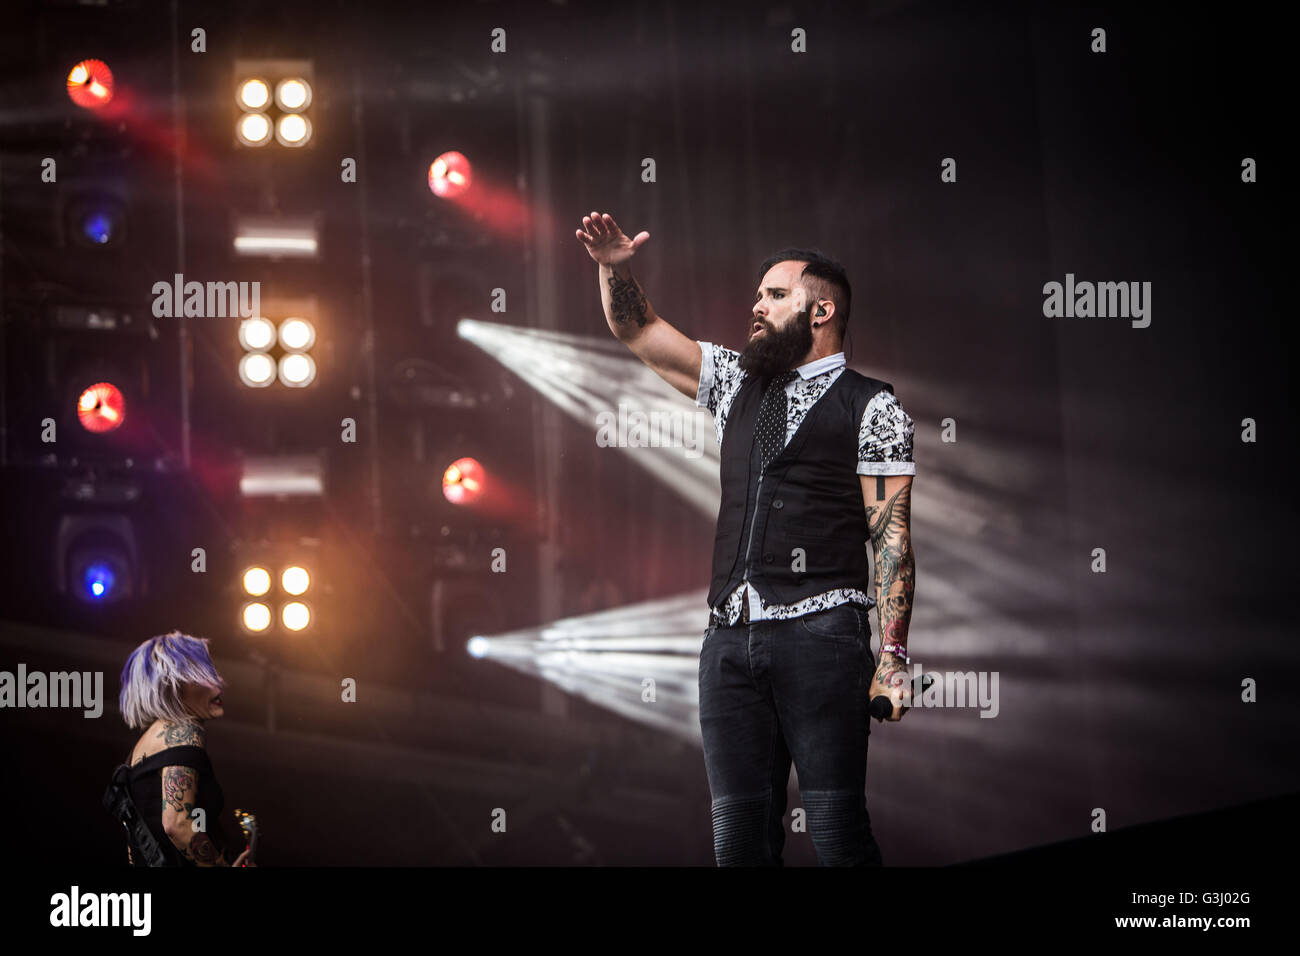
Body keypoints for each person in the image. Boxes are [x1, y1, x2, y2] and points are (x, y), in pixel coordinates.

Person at [576, 212, 917, 866]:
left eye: (775, 295)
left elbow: (892, 538)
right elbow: (639, 330)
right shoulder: (739, 382)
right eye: (758, 294)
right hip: (729, 640)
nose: (755, 305)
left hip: (822, 635)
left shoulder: (873, 406)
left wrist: (894, 654)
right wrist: (614, 267)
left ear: (821, 311)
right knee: (738, 849)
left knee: (838, 835)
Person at [117, 630, 253, 867]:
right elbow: (178, 823)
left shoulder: (142, 746)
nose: (218, 683)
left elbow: (134, 847)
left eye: (212, 672)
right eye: (201, 676)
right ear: (172, 685)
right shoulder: (186, 729)